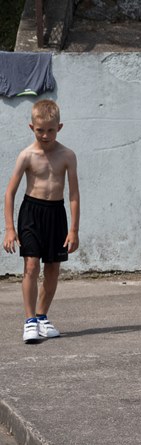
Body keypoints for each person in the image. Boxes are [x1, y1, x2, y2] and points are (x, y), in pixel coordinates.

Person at [3, 99, 80, 344]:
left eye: (50, 130)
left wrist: (74, 230)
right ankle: (29, 321)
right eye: (40, 130)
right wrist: (9, 229)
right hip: (31, 214)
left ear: (60, 127)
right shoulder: (27, 155)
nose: (45, 135)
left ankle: (42, 316)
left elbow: (74, 194)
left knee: (53, 269)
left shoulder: (67, 155)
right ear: (31, 127)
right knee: (31, 266)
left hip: (56, 214)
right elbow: (9, 193)